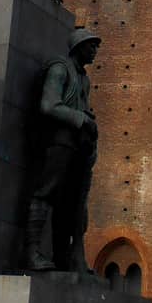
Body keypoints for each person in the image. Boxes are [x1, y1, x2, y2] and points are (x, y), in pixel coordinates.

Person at [25, 26, 100, 273]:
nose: (95, 51)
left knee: (71, 202)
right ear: (79, 47)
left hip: (77, 144)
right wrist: (81, 119)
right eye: (92, 46)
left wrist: (87, 120)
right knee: (46, 193)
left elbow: (80, 106)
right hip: (58, 140)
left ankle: (62, 256)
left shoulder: (84, 79)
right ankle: (32, 251)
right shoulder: (59, 69)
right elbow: (48, 105)